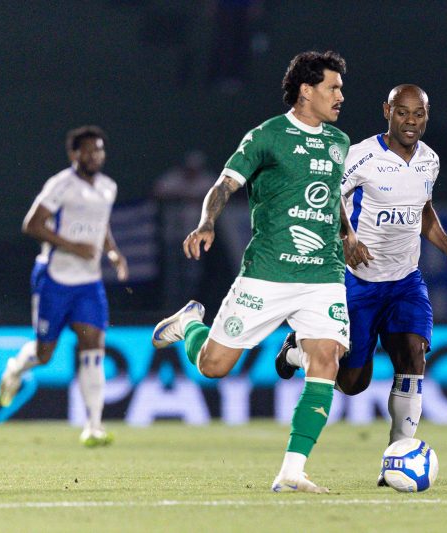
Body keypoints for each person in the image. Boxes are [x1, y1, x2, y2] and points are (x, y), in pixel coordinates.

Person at [151, 50, 359, 493]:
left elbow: (335, 192)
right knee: (214, 366)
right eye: (333, 88)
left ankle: (292, 471)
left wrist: (348, 233)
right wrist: (207, 221)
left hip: (323, 274)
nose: (341, 96)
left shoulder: (339, 142)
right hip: (267, 272)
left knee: (328, 360)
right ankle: (190, 324)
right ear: (307, 91)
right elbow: (224, 184)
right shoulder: (267, 136)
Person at [274, 85, 447, 485]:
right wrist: (347, 237)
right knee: (352, 382)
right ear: (387, 111)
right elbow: (325, 195)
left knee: (413, 357)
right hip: (358, 282)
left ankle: (395, 459)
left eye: (419, 114)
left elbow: (424, 211)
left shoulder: (429, 161)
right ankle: (297, 350)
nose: (411, 121)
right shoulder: (362, 156)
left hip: (405, 282)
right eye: (403, 113)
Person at [0, 126, 129, 447]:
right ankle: (15, 368)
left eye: (99, 150)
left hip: (88, 283)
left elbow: (102, 224)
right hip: (54, 278)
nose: (95, 156)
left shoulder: (108, 188)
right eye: (88, 150)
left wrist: (112, 252)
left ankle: (94, 426)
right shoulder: (61, 185)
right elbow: (32, 224)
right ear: (74, 154)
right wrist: (73, 246)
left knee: (94, 347)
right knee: (45, 354)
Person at [153, 150, 217, 309]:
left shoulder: (206, 179)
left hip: (196, 236)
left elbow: (218, 198)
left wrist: (190, 198)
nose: (192, 173)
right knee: (172, 274)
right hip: (173, 235)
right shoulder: (173, 177)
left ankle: (191, 304)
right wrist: (182, 196)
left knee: (193, 273)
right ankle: (172, 306)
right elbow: (157, 192)